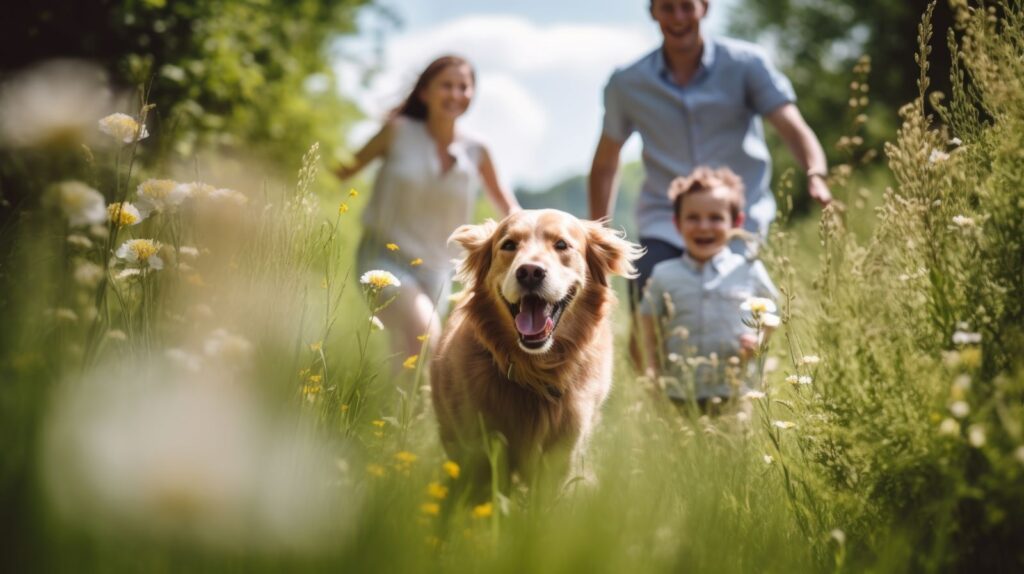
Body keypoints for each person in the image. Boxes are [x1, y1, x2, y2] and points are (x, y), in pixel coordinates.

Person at [588, 0, 832, 307]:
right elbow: (605, 163)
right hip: (665, 219)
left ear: (705, 7)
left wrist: (816, 174)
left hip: (735, 221)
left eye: (687, 6)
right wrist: (599, 238)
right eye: (667, 7)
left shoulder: (746, 64)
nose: (678, 17)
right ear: (652, 12)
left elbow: (792, 127)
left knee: (740, 318)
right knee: (650, 310)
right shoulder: (627, 84)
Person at [334, 55, 520, 365]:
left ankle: (395, 413)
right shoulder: (398, 132)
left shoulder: (477, 149)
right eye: (446, 85)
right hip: (384, 257)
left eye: (464, 86)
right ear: (425, 92)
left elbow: (509, 207)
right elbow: (342, 170)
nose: (456, 94)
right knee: (426, 338)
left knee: (408, 357)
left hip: (438, 270)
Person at [638, 167, 778, 413]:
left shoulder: (749, 268)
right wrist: (652, 372)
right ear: (677, 223)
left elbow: (773, 313)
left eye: (715, 218)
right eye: (693, 217)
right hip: (679, 393)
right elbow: (648, 326)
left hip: (736, 390)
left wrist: (759, 340)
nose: (704, 226)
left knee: (735, 449)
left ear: (735, 222)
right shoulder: (663, 274)